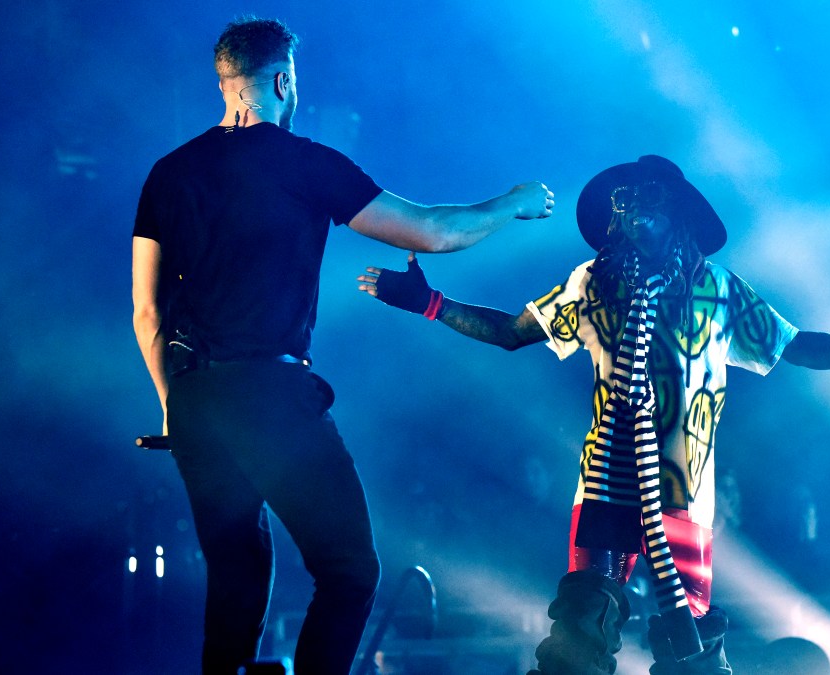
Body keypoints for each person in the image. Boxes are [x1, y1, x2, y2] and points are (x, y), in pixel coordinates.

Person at [357, 155, 830, 674]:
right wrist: (430, 303)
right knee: (582, 625)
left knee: (689, 635)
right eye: (622, 199)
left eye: (646, 195)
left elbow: (791, 345)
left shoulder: (718, 290)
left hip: (683, 492)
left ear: (676, 210)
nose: (629, 206)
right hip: (606, 480)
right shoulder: (592, 284)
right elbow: (510, 333)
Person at [131, 16, 553, 675]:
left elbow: (146, 308)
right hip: (268, 394)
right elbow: (431, 231)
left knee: (238, 571)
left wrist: (171, 403)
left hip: (193, 399)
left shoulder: (167, 173)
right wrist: (513, 204)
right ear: (282, 80)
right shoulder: (305, 164)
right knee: (350, 569)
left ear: (224, 82)